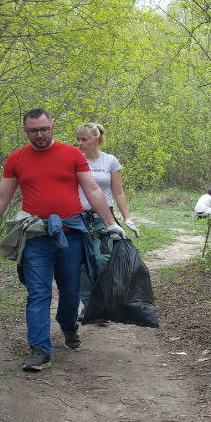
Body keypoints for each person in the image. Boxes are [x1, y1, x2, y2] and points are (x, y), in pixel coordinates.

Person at [0, 110, 124, 372]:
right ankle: (40, 349)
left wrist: (111, 223)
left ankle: (67, 324)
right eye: (33, 131)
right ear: (25, 131)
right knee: (38, 293)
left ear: (52, 127)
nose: (40, 135)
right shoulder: (16, 159)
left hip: (71, 235)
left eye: (44, 129)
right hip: (35, 237)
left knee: (71, 291)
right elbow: (0, 197)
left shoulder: (72, 154)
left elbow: (92, 189)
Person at [75, 122, 137, 315]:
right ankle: (89, 306)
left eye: (83, 139)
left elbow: (118, 192)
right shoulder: (75, 159)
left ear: (97, 140)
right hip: (79, 217)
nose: (79, 143)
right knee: (81, 263)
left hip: (104, 218)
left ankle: (102, 302)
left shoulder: (109, 161)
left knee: (102, 260)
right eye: (78, 139)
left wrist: (127, 218)